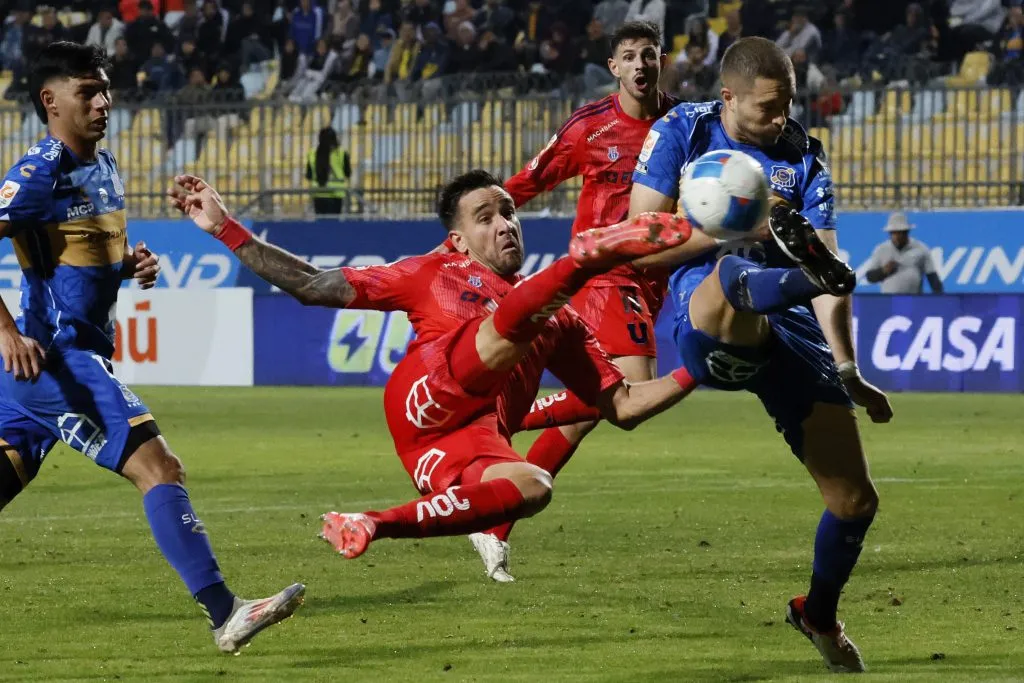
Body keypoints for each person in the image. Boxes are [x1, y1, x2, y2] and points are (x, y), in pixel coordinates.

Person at [168, 169, 699, 565]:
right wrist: (225, 229)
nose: (506, 225)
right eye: (486, 217)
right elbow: (312, 286)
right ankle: (587, 259)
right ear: (458, 239)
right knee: (502, 334)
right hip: (427, 394)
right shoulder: (431, 270)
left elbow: (625, 405)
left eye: (509, 212)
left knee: (534, 484)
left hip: (461, 441)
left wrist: (698, 369)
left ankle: (369, 523)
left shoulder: (555, 319)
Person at [0, 42, 303, 654]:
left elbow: (80, 260)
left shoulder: (104, 166)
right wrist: (4, 330)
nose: (104, 101)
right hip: (55, 360)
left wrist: (129, 266)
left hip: (60, 362)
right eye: (88, 92)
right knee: (159, 467)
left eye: (106, 89)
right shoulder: (39, 170)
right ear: (50, 101)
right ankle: (226, 612)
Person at [628, 37, 893, 673]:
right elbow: (637, 248)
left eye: (788, 107)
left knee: (855, 501)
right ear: (729, 98)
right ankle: (773, 263)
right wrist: (729, 228)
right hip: (709, 308)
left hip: (791, 326)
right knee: (737, 268)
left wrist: (850, 368)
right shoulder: (683, 131)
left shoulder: (803, 153)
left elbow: (830, 269)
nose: (781, 121)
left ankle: (818, 613)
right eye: (768, 110)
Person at [466, 20, 678, 582]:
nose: (639, 65)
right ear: (614, 67)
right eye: (628, 56)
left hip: (652, 280)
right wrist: (475, 223)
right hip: (605, 274)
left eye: (649, 55)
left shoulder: (683, 125)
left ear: (662, 61)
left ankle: (494, 517)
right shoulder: (589, 126)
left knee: (591, 414)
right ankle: (502, 428)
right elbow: (527, 183)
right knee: (630, 390)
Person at [864, 212, 942, 294]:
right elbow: (870, 277)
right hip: (889, 300)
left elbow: (933, 278)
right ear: (890, 233)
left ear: (907, 232)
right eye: (894, 232)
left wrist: (940, 300)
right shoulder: (881, 249)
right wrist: (883, 271)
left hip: (914, 300)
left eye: (901, 232)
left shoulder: (921, 249)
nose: (898, 236)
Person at [306, 127, 350, 215]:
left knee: (321, 224)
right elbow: (347, 173)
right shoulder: (342, 153)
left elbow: (309, 175)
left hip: (319, 194)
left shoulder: (312, 154)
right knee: (333, 224)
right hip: (336, 194)